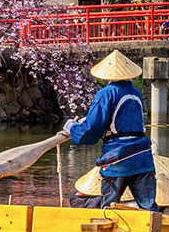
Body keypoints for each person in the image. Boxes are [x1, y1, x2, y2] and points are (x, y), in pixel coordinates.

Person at [66, 51, 158, 211]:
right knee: (148, 209)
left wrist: (73, 128)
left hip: (118, 157)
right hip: (142, 156)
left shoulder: (107, 93)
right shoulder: (135, 93)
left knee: (108, 207)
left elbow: (92, 128)